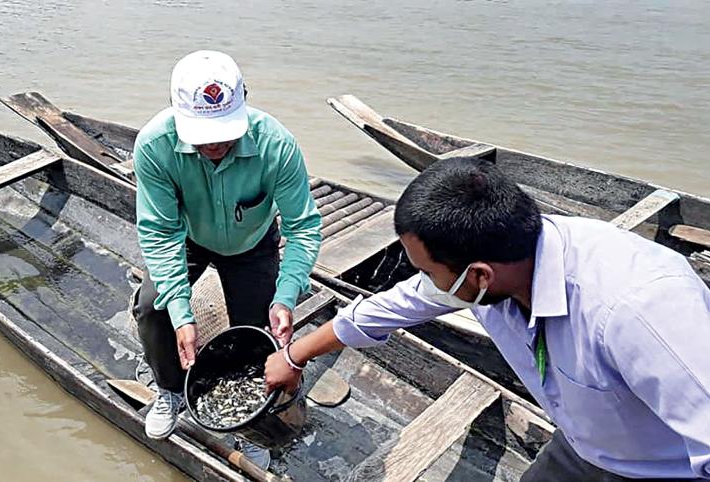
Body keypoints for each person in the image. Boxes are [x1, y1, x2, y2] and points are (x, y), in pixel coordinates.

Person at [266, 157, 710, 480]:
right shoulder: (497, 263)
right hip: (582, 445)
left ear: (479, 275)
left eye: (427, 273)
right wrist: (294, 355)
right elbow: (392, 307)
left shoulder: (641, 310)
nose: (424, 283)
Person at [131, 50, 321, 468]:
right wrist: (181, 313)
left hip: (253, 241)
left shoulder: (277, 145)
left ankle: (248, 425)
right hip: (188, 236)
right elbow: (159, 231)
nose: (214, 144)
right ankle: (170, 390)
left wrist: (287, 295)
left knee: (256, 331)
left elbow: (303, 227)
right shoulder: (154, 145)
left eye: (223, 132)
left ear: (243, 104)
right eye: (202, 135)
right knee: (153, 308)